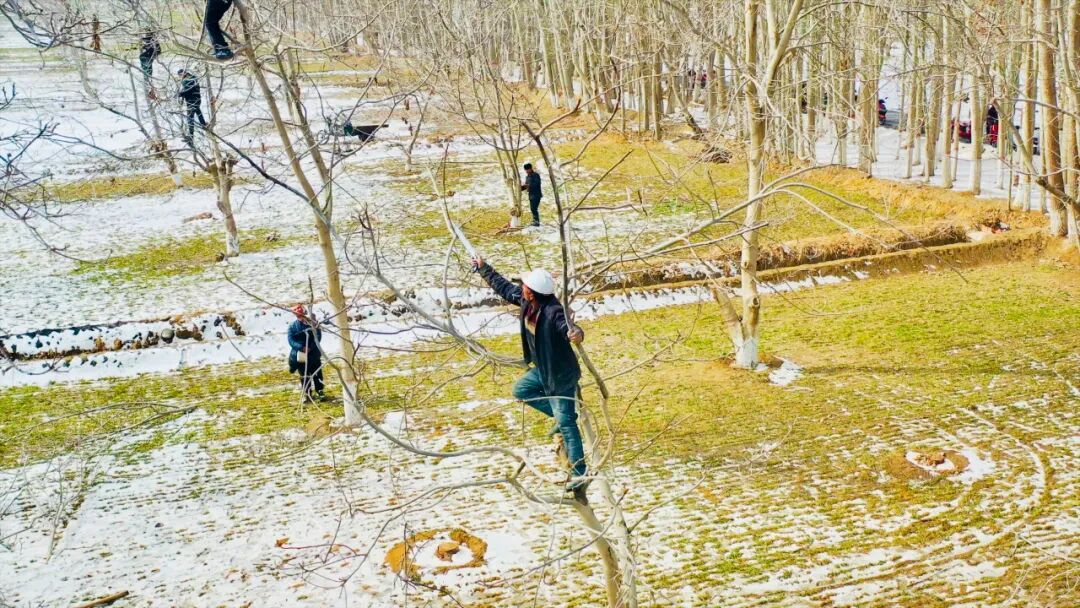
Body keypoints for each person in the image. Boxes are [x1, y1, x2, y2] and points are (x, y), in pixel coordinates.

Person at [472, 256, 589, 495]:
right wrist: (484, 269)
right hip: (543, 371)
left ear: (533, 292)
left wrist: (576, 333)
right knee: (521, 390)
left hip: (561, 376)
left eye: (525, 286)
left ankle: (580, 474)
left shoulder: (554, 311)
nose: (521, 288)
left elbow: (569, 328)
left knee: (568, 427)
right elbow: (503, 287)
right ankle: (560, 417)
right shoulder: (527, 302)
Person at [287, 305, 328, 403]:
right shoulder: (292, 326)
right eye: (299, 316)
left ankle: (320, 391)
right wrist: (301, 347)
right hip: (300, 355)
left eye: (302, 315)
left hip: (313, 353)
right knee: (304, 375)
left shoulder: (313, 324)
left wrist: (311, 347)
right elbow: (290, 340)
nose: (301, 318)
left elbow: (318, 337)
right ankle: (307, 394)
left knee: (317, 373)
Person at [176, 68, 206, 145]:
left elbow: (188, 90)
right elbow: (188, 89)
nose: (180, 77)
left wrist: (179, 94)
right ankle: (203, 124)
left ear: (184, 73)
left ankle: (191, 137)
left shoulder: (187, 80)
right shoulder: (193, 78)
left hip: (192, 101)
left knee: (190, 119)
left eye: (180, 75)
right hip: (196, 100)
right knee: (197, 111)